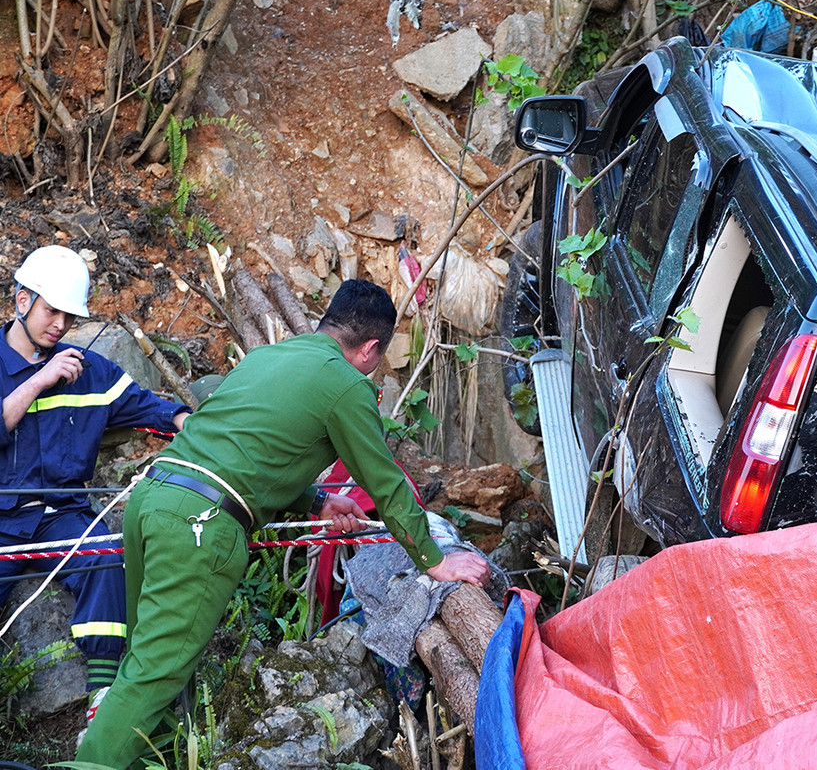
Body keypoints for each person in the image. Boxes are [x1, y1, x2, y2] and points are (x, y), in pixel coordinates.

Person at [77, 279, 490, 768]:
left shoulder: (267, 358)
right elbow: (387, 485)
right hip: (199, 525)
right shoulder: (346, 384)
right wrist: (436, 561)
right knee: (153, 675)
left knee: (145, 660)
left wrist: (318, 501)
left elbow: (242, 451)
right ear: (371, 348)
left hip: (153, 498)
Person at [0, 245, 191, 725]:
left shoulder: (89, 370)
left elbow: (146, 406)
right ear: (22, 300)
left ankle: (101, 701)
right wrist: (39, 381)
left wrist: (185, 420)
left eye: (69, 316)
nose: (60, 325)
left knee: (105, 557)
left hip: (60, 518)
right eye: (52, 311)